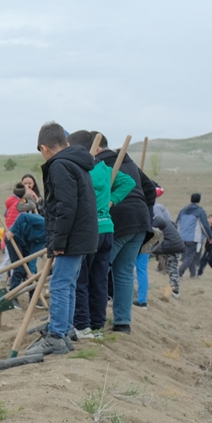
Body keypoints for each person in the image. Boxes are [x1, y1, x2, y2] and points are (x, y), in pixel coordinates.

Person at [25, 122, 98, 356]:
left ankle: (56, 335)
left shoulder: (60, 165)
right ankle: (63, 331)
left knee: (59, 285)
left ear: (44, 148)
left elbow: (67, 206)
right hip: (80, 235)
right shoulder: (75, 162)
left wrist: (58, 241)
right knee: (67, 284)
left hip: (71, 237)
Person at [68, 131, 136, 338]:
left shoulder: (81, 170)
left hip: (89, 231)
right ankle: (97, 325)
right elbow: (128, 182)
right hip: (107, 229)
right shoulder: (105, 169)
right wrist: (111, 201)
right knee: (99, 280)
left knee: (81, 280)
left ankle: (81, 325)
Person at [92, 131, 152, 334]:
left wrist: (112, 203)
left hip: (117, 222)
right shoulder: (129, 162)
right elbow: (150, 189)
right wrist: (145, 212)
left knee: (98, 270)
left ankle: (93, 320)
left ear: (97, 148)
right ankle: (122, 323)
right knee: (125, 272)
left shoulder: (97, 164)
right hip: (140, 221)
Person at [5, 200, 47, 291]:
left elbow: (33, 253)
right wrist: (12, 231)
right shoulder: (43, 222)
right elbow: (23, 216)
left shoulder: (47, 238)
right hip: (14, 237)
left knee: (33, 272)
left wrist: (31, 272)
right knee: (19, 268)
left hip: (24, 242)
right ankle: (12, 296)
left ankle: (34, 299)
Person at [177, 193, 211, 279]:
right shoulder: (200, 211)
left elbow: (177, 223)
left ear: (190, 199)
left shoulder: (183, 210)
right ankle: (179, 273)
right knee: (189, 256)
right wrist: (210, 236)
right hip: (193, 238)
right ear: (199, 200)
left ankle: (193, 274)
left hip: (181, 237)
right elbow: (205, 225)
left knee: (188, 256)